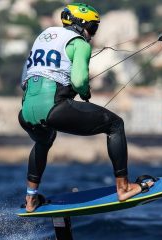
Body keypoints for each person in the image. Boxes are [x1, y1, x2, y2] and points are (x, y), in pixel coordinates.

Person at [18, 3, 154, 212]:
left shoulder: (44, 37)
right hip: (53, 107)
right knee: (115, 125)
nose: (92, 33)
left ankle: (30, 199)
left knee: (44, 140)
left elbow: (24, 77)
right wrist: (83, 92)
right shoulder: (80, 43)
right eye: (92, 27)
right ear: (81, 25)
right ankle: (124, 188)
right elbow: (80, 79)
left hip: (26, 111)